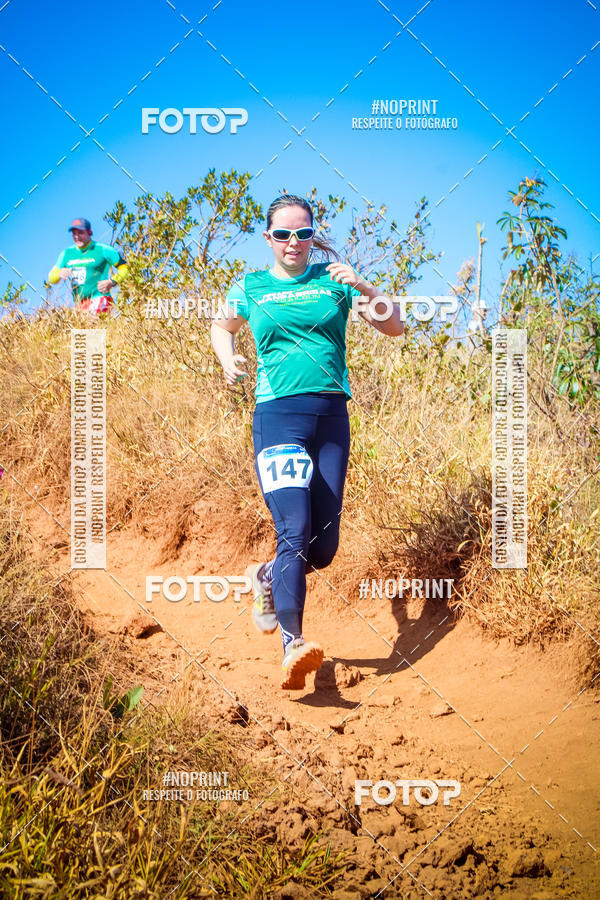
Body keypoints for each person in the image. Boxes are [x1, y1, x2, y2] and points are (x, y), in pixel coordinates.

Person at [210, 194, 404, 690]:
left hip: (331, 419)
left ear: (312, 235)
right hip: (277, 419)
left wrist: (361, 282)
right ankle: (293, 644)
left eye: (302, 233)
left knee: (323, 549)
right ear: (268, 238)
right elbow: (221, 324)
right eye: (282, 234)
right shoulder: (250, 287)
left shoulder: (333, 281)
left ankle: (267, 578)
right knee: (293, 529)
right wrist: (227, 357)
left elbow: (394, 325)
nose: (293, 242)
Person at [48, 217, 128, 314]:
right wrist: (59, 273)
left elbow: (125, 268)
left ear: (89, 232)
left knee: (91, 321)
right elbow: (51, 278)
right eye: (74, 233)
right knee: (80, 328)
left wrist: (112, 281)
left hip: (101, 298)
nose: (77, 237)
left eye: (80, 233)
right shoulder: (66, 254)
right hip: (79, 305)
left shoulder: (103, 249)